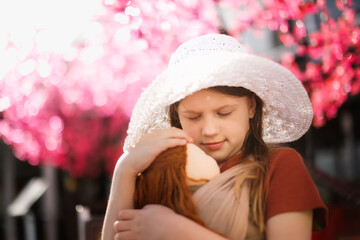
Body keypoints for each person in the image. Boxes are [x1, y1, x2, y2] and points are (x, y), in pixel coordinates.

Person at [101, 34, 328, 240]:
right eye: (193, 117)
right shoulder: (163, 172)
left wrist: (178, 232)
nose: (209, 130)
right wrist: (126, 169)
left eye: (224, 113)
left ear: (251, 106)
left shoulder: (279, 165)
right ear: (177, 117)